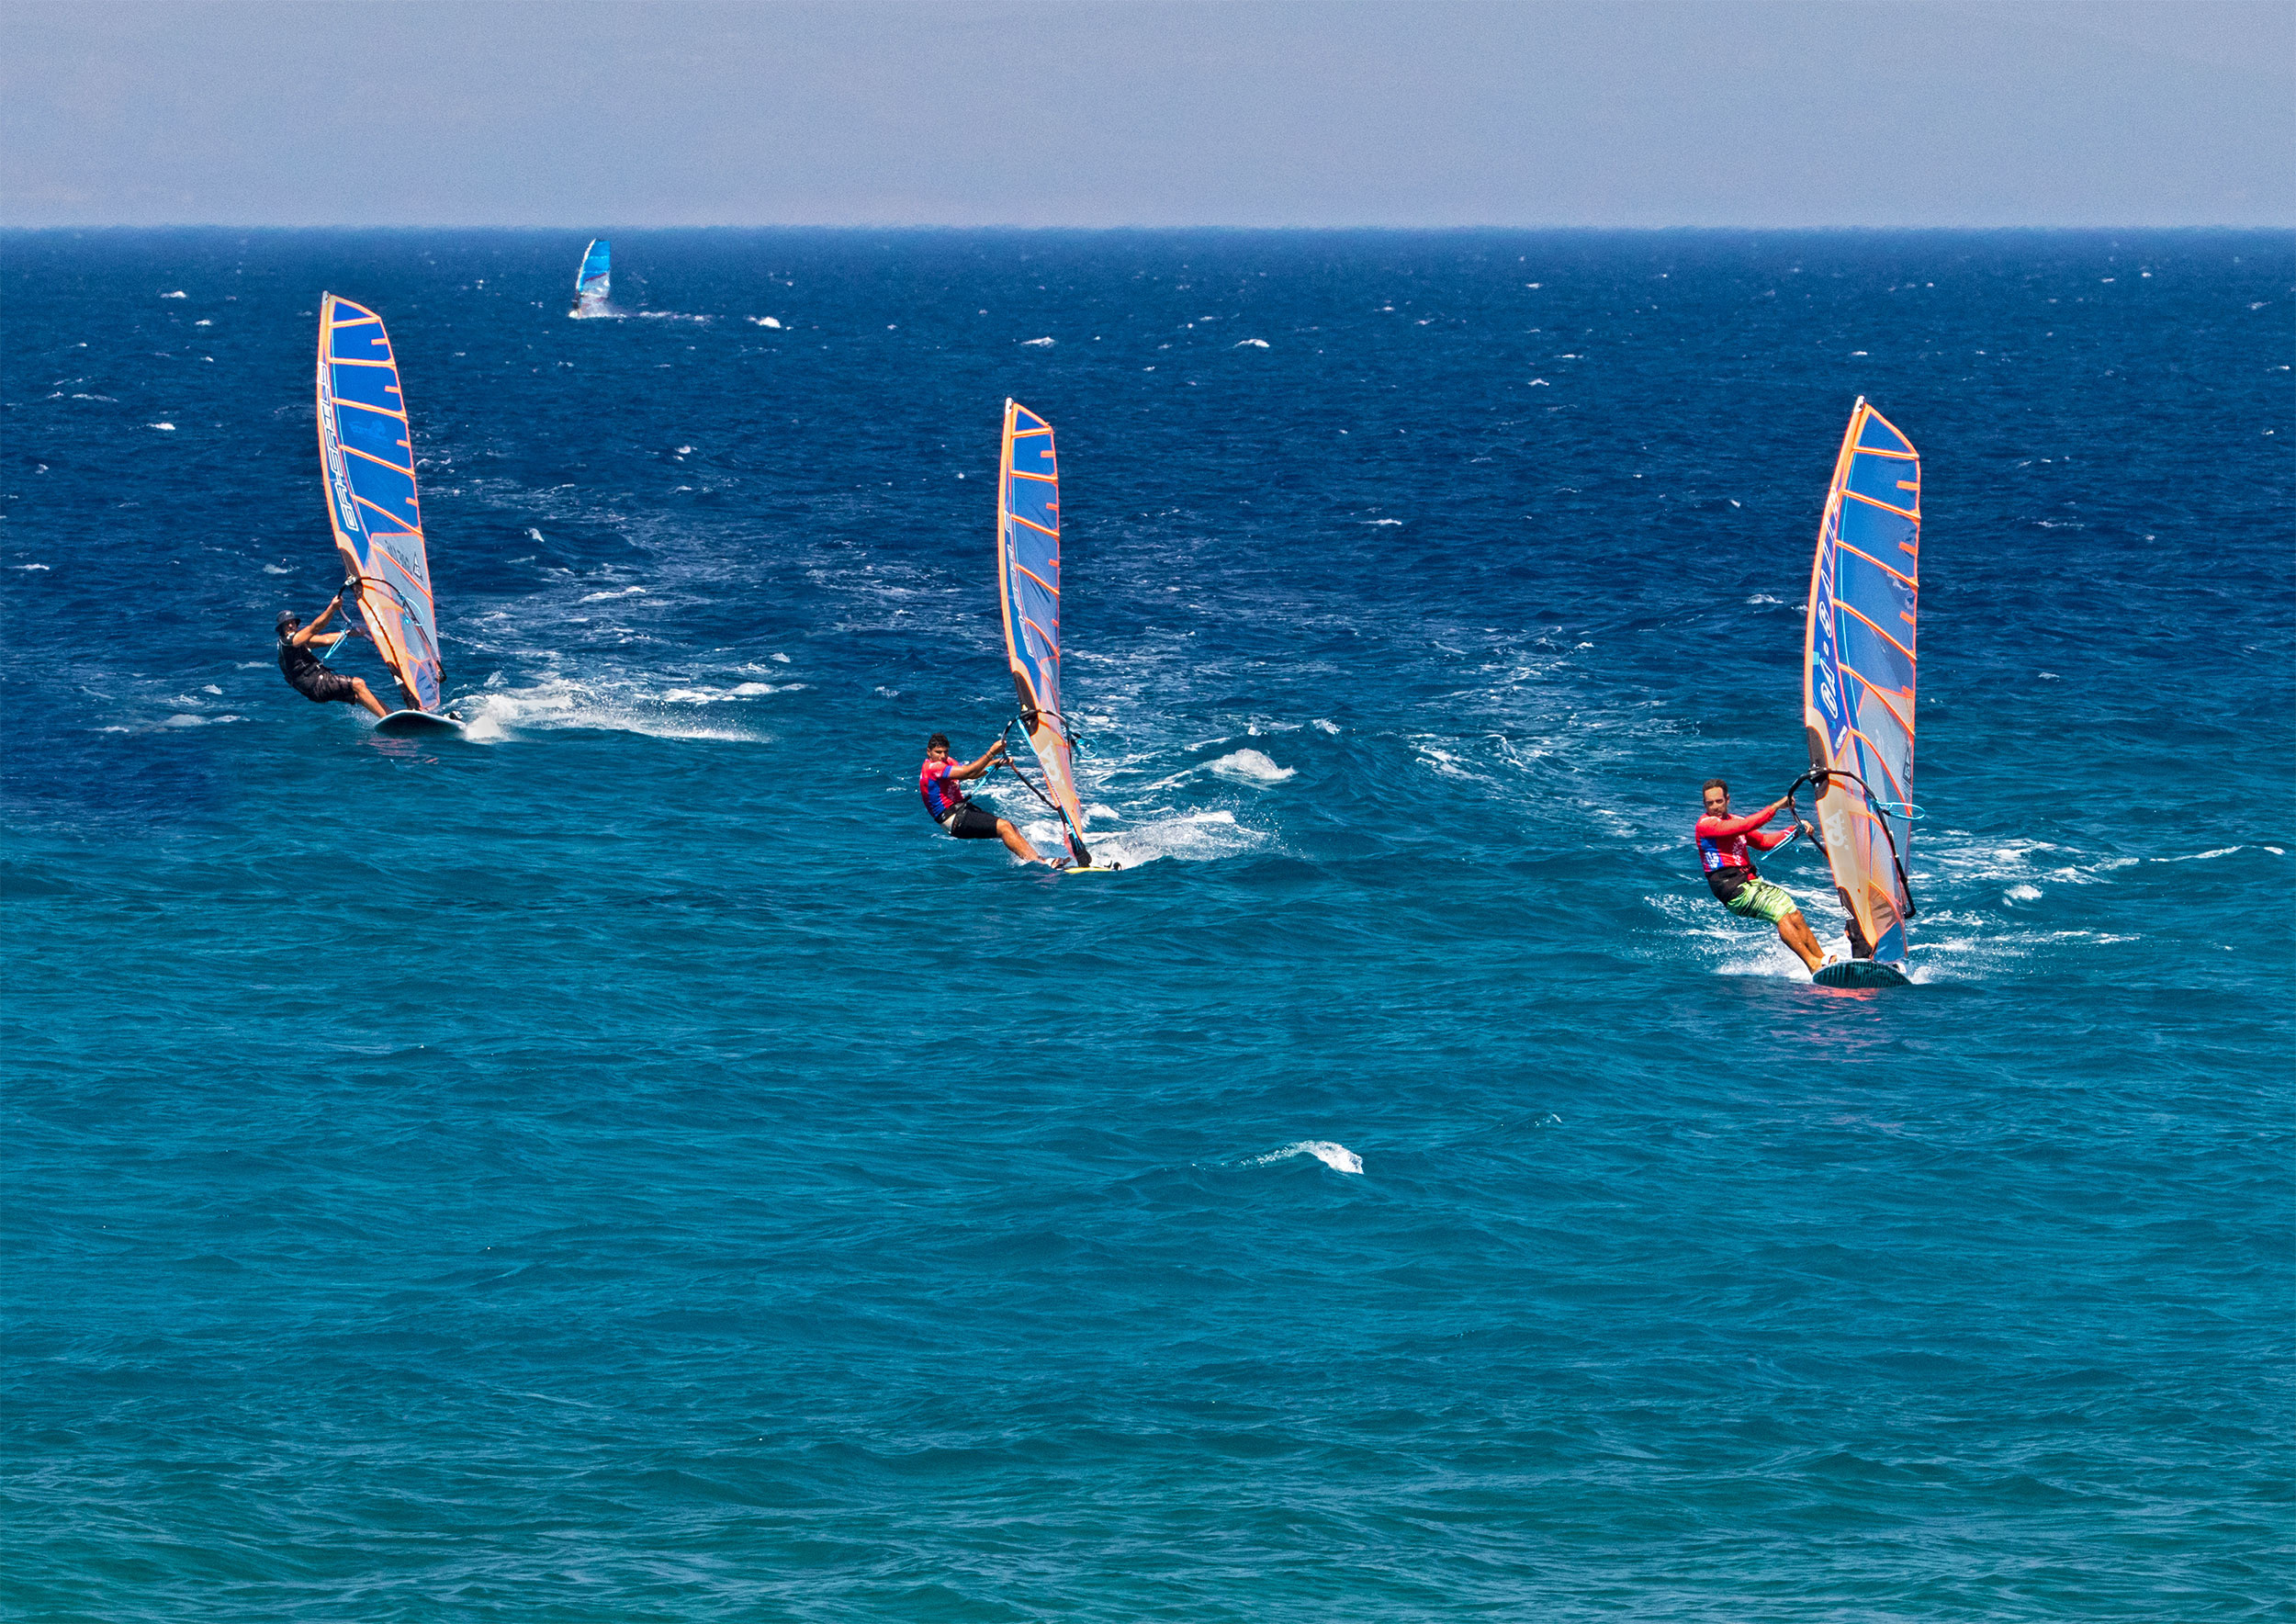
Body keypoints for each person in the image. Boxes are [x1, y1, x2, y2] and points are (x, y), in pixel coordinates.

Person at [1694, 776, 1833, 973]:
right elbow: (1745, 826)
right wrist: (1776, 806)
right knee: (1779, 913)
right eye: (1710, 803)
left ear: (1727, 799)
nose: (1715, 807)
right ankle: (1812, 964)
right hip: (1731, 889)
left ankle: (1824, 960)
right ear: (1704, 804)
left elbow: (1764, 842)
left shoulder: (1735, 820)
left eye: (1719, 801)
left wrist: (1796, 830)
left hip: (1750, 883)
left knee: (1793, 912)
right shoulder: (1706, 825)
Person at [918, 733, 1052, 865]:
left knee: (1011, 828)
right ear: (929, 752)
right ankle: (1039, 863)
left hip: (961, 811)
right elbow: (968, 772)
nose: (942, 756)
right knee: (1004, 828)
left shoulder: (947, 762)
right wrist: (991, 752)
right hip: (953, 819)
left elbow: (972, 775)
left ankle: (1038, 859)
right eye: (938, 752)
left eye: (945, 752)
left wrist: (995, 763)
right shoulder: (932, 768)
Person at [276, 596, 388, 719]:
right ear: (281, 629)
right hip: (316, 684)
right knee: (358, 684)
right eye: (287, 624)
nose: (291, 626)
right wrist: (332, 608)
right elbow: (315, 627)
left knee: (358, 696)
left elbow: (326, 639)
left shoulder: (299, 641)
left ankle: (391, 715)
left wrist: (348, 634)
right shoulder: (289, 641)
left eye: (292, 622)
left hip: (313, 689)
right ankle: (389, 721)